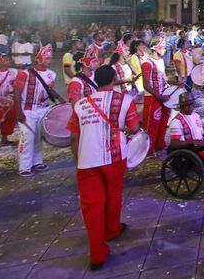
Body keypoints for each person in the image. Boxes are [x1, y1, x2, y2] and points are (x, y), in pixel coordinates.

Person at [68, 65, 140, 271]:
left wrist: (78, 159)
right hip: (115, 156)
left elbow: (73, 136)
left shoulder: (80, 105)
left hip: (87, 161)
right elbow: (135, 129)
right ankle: (112, 230)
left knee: (92, 206)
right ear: (114, 79)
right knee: (114, 196)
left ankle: (97, 254)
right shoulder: (125, 101)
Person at [13, 44, 63, 177]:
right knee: (27, 138)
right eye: (47, 58)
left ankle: (37, 162)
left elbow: (50, 91)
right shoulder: (25, 74)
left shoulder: (52, 74)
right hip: (27, 110)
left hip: (43, 110)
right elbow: (16, 92)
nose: (50, 61)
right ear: (39, 59)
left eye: (50, 58)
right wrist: (18, 111)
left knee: (38, 138)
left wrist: (61, 100)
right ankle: (24, 166)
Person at [141, 39, 171, 156]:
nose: (164, 49)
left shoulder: (161, 61)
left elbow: (164, 79)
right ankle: (149, 150)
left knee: (163, 123)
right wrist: (159, 96)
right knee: (151, 125)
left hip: (162, 97)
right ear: (155, 47)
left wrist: (176, 83)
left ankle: (160, 145)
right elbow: (146, 84)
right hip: (153, 98)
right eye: (162, 47)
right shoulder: (147, 63)